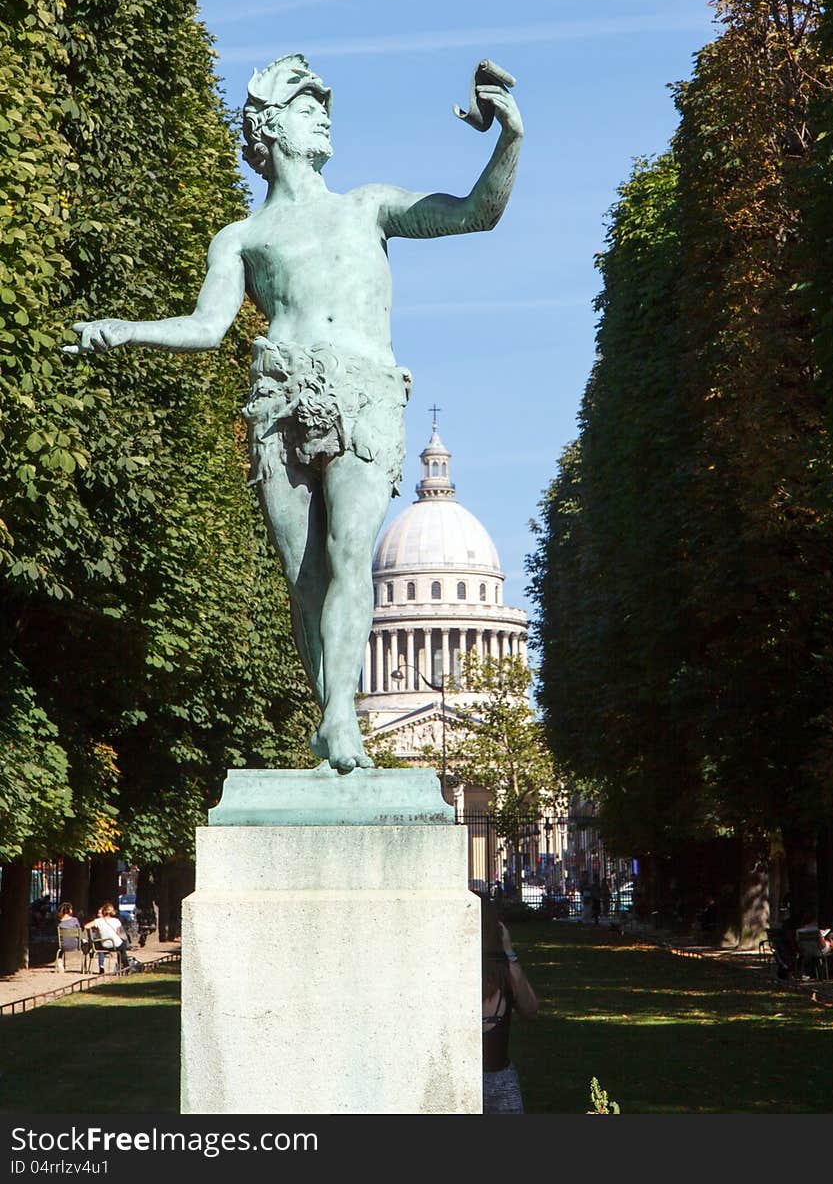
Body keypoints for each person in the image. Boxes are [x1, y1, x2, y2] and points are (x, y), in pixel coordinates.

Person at [69, 55, 522, 776]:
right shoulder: (242, 239)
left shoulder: (368, 205)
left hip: (363, 393)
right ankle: (333, 714)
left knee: (350, 558)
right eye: (309, 107)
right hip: (279, 397)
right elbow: (206, 327)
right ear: (271, 126)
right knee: (303, 575)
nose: (325, 117)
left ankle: (340, 719)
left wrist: (509, 140)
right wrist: (128, 327)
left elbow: (476, 214)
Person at [481, 897, 538, 1113]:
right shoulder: (507, 973)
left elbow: (531, 1010)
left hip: (473, 1079)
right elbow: (531, 1010)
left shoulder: (448, 972)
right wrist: (510, 953)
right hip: (501, 1082)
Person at [84, 903, 132, 973]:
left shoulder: (98, 921)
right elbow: (120, 933)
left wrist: (97, 930)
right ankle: (125, 966)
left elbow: (86, 926)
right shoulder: (116, 921)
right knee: (123, 948)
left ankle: (101, 966)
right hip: (116, 945)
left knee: (98, 942)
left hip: (104, 945)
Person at [54, 902, 81, 972]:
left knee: (59, 947)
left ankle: (60, 961)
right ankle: (84, 966)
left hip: (63, 946)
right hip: (76, 945)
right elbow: (79, 930)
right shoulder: (75, 920)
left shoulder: (59, 923)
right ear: (70, 910)